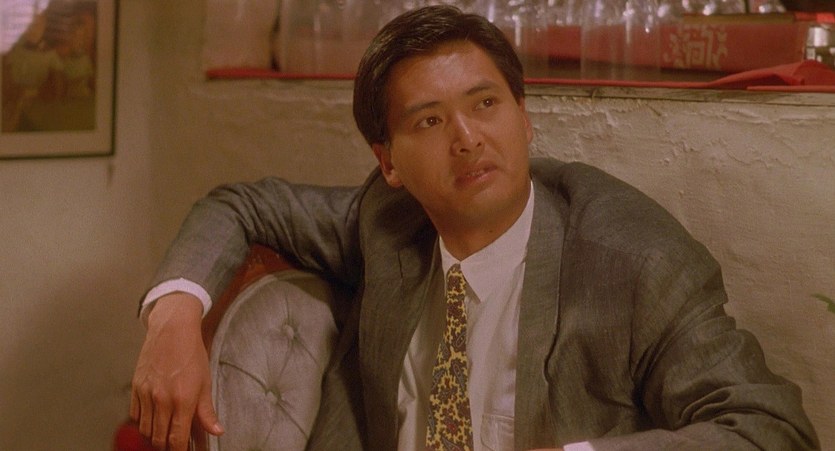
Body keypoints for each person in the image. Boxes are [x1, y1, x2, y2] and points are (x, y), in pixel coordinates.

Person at [130, 5, 819, 451]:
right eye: (429, 120)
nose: (466, 137)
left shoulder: (632, 261)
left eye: (484, 104)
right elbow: (240, 204)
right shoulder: (384, 220)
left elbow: (770, 431)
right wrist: (173, 317)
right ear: (388, 161)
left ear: (524, 118)